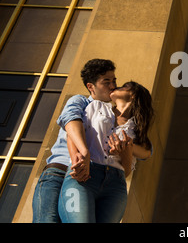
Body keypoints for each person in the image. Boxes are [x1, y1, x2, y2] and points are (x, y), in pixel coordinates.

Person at [32, 59, 117, 223]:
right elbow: (70, 119)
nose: (113, 86)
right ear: (90, 87)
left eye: (114, 80)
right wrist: (83, 151)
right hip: (58, 173)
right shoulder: (80, 101)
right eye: (107, 82)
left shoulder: (115, 115)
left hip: (89, 179)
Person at [58, 81, 154, 223]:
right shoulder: (96, 106)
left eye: (123, 86)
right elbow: (72, 133)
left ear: (133, 94)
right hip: (86, 174)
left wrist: (124, 151)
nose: (116, 87)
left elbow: (133, 165)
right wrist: (75, 158)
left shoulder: (136, 130)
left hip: (115, 185)